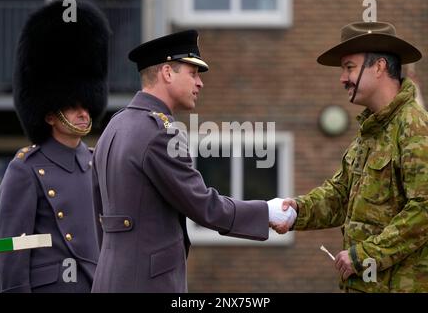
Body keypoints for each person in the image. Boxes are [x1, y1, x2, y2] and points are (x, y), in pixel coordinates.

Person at [91, 29, 296, 293]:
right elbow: (202, 205)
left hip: (109, 278)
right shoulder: (161, 132)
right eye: (193, 73)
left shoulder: (115, 125)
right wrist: (266, 211)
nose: (200, 83)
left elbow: (100, 213)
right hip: (148, 282)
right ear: (167, 73)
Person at [277, 21, 428, 292]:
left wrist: (365, 255)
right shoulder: (370, 132)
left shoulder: (415, 128)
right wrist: (297, 210)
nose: (342, 78)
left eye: (349, 68)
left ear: (378, 67)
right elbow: (340, 196)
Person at [0, 0, 110, 292]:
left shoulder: (98, 163)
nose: (84, 113)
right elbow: (11, 249)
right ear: (49, 113)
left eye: (87, 104)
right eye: (73, 106)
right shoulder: (26, 170)